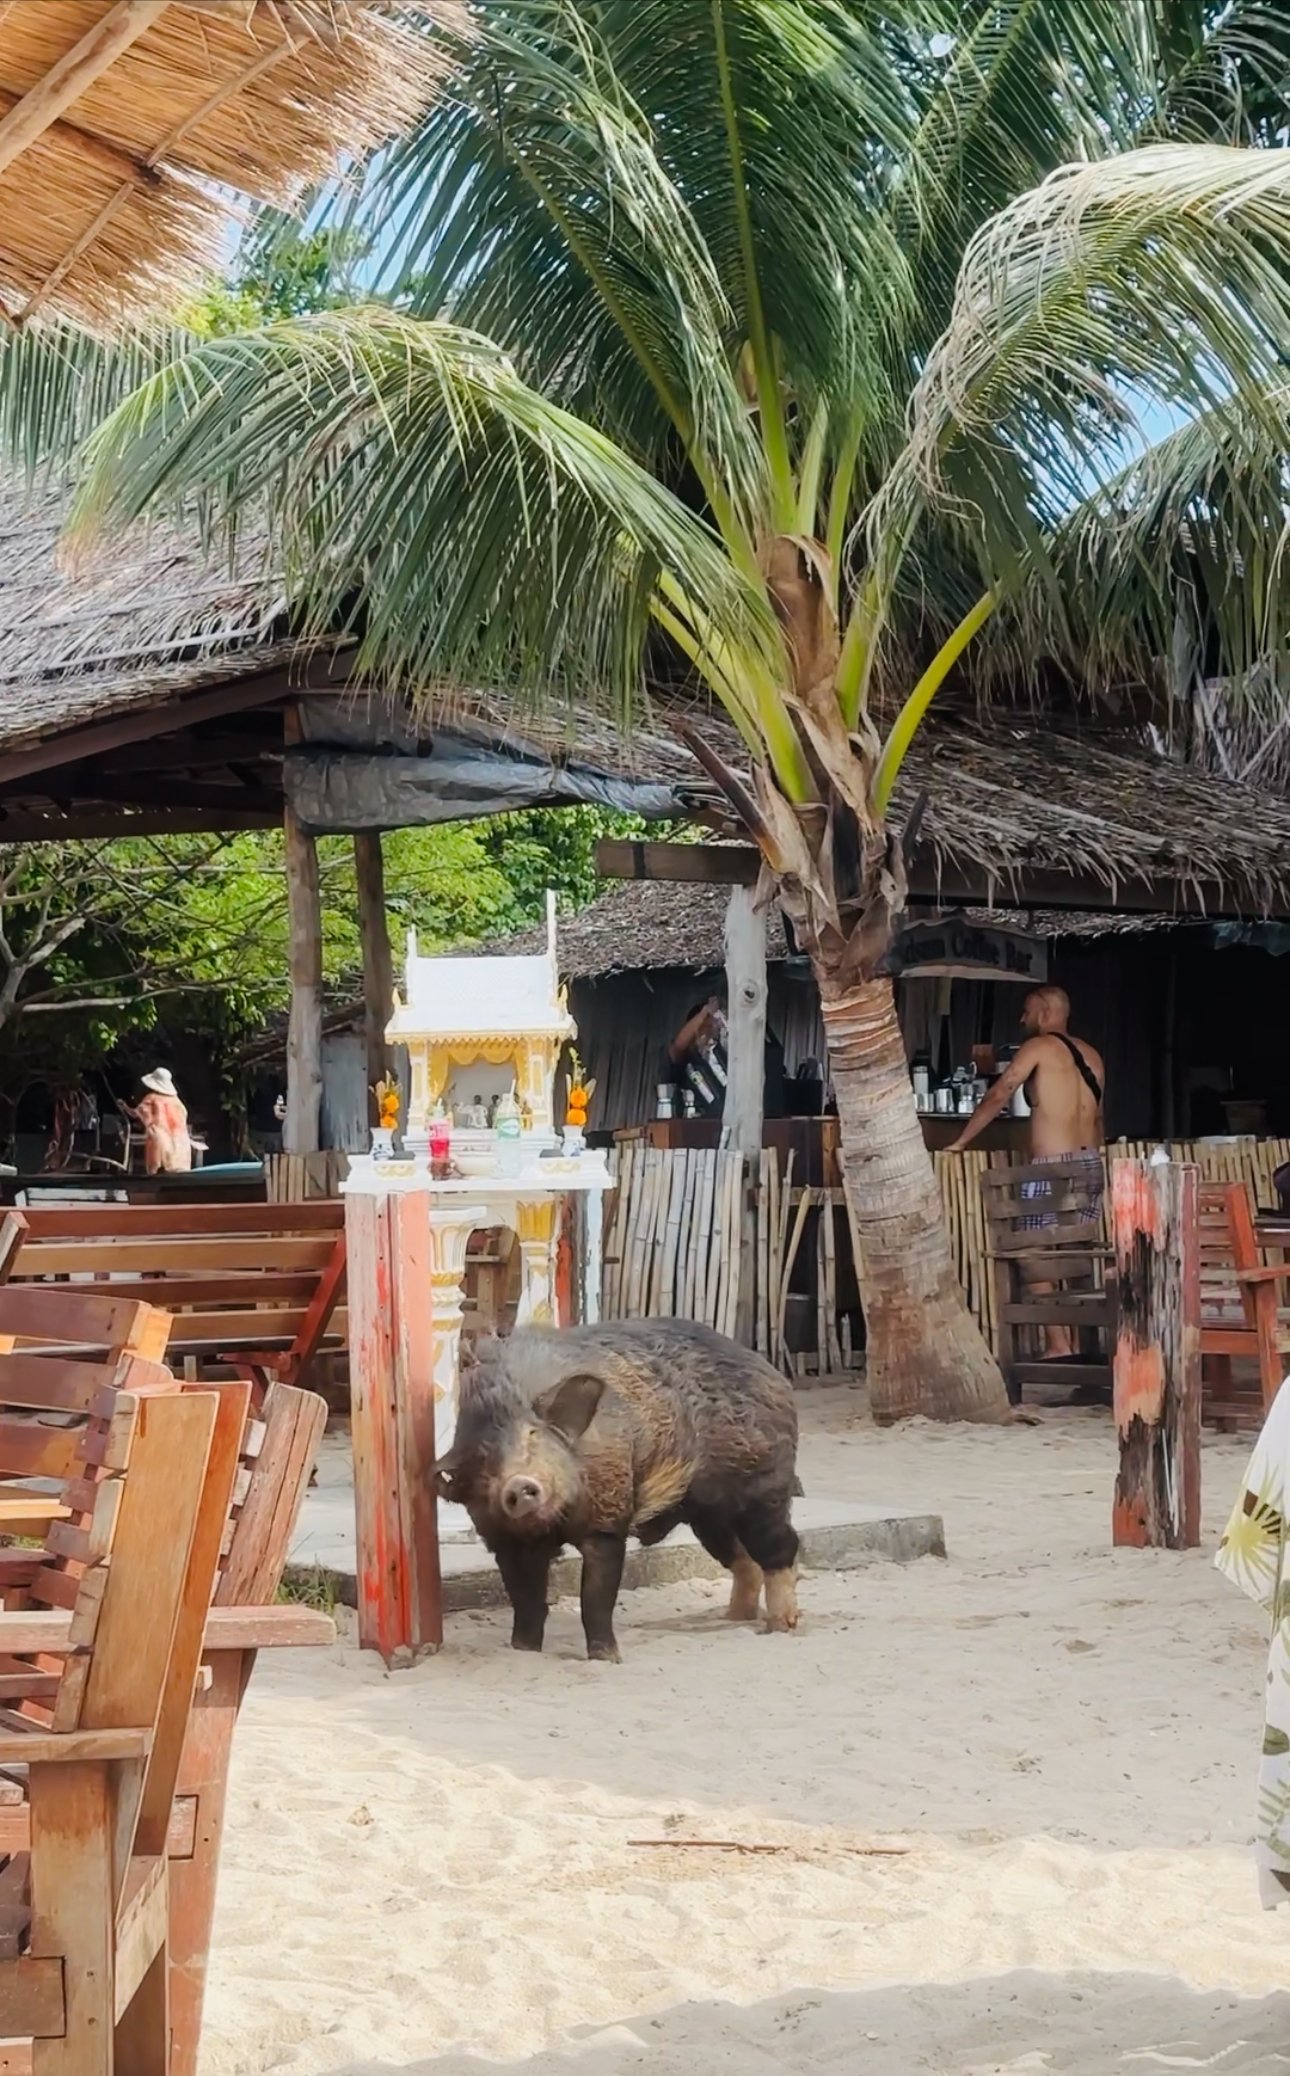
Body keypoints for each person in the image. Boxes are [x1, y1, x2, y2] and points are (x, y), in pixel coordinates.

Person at [948, 986, 1104, 1358]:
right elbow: (1098, 1117)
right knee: (1075, 1255)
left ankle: (1058, 1344)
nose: (1022, 1019)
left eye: (1027, 1011)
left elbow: (1001, 1092)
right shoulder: (1094, 1056)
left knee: (1034, 1252)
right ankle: (1080, 1343)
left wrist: (961, 1141)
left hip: (1051, 1168)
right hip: (1089, 1164)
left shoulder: (1038, 1048)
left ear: (1046, 1012)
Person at [667, 993, 787, 1122]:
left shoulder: (723, 1053)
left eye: (714, 1025)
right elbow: (677, 1048)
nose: (712, 1029)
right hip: (699, 1123)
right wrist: (704, 1013)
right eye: (706, 1025)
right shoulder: (689, 1060)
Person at [123, 1067, 192, 1175]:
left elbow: (137, 1113)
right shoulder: (177, 1102)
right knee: (178, 1171)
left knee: (157, 1173)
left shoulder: (151, 1098)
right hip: (180, 1142)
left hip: (159, 1140)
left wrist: (124, 1107)